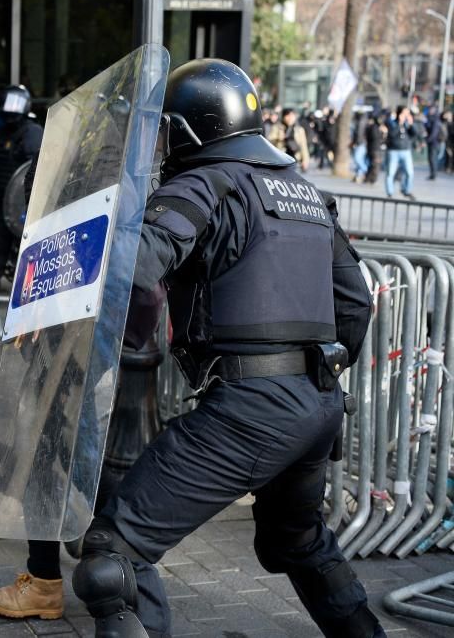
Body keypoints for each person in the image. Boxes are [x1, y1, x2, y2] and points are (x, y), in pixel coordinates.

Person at [67, 59, 382, 638]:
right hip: (319, 403)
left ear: (191, 130)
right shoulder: (308, 194)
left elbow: (135, 268)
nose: (161, 141)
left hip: (249, 409)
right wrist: (313, 377)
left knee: (113, 554)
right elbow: (356, 305)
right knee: (300, 541)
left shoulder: (205, 181)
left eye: (166, 129)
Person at [0, 85, 43, 295]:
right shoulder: (5, 133)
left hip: (21, 204)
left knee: (29, 249)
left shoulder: (32, 132)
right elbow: (0, 168)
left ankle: (31, 291)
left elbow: (33, 171)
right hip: (3, 202)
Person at [385, 105, 416, 199]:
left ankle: (407, 190)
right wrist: (400, 123)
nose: (406, 115)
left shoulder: (407, 124)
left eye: (408, 113)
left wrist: (411, 124)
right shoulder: (391, 122)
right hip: (393, 151)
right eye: (404, 113)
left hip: (406, 150)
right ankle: (390, 192)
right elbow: (392, 135)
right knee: (390, 173)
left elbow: (414, 134)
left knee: (409, 172)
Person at [267, 107, 309, 172]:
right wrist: (279, 139)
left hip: (294, 157)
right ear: (283, 116)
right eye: (288, 115)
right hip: (280, 157)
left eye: (292, 116)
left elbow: (303, 145)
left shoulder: (299, 129)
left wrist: (305, 160)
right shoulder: (277, 127)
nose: (290, 118)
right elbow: (269, 141)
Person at [426, 106, 446, 180]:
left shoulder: (435, 121)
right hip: (433, 143)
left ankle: (433, 174)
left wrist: (427, 140)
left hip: (434, 143)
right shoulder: (432, 119)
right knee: (432, 159)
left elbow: (434, 133)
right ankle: (432, 174)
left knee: (433, 159)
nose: (429, 111)